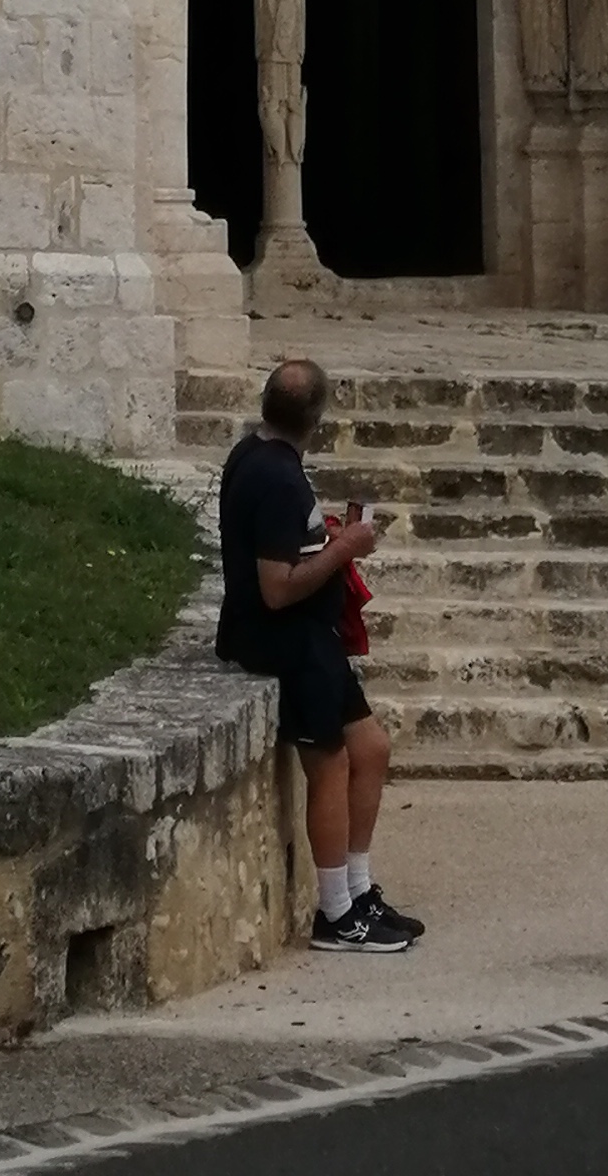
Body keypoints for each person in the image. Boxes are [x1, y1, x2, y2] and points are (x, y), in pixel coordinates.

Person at [214, 354, 424, 952]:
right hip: (285, 643)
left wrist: (325, 540)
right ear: (317, 418)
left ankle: (358, 889)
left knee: (371, 749)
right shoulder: (277, 478)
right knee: (330, 767)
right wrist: (346, 547)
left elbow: (280, 546)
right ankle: (336, 915)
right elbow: (277, 589)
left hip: (313, 641)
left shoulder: (255, 455)